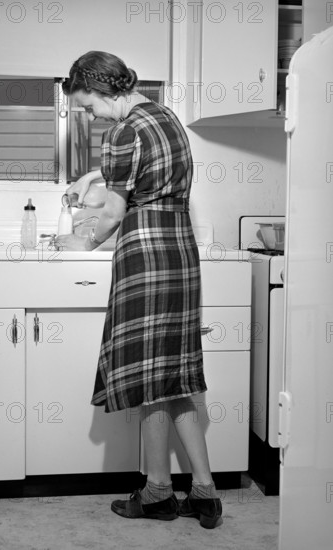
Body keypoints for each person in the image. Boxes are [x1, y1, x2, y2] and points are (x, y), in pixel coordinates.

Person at [57, 51, 222, 529]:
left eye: (89, 106)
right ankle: (204, 493)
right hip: (181, 254)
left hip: (146, 255)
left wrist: (81, 239)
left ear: (104, 88)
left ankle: (157, 494)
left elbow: (111, 212)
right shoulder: (168, 117)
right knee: (175, 378)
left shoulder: (124, 131)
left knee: (153, 378)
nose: (91, 115)